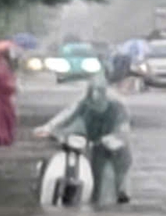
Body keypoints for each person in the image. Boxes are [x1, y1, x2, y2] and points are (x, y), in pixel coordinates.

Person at [39, 70, 132, 204]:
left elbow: (124, 126)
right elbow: (68, 114)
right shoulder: (84, 102)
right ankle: (94, 202)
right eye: (94, 90)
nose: (96, 95)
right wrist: (48, 127)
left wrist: (116, 138)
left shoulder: (117, 104)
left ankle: (122, 196)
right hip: (96, 142)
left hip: (117, 144)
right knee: (96, 174)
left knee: (121, 172)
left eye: (100, 91)